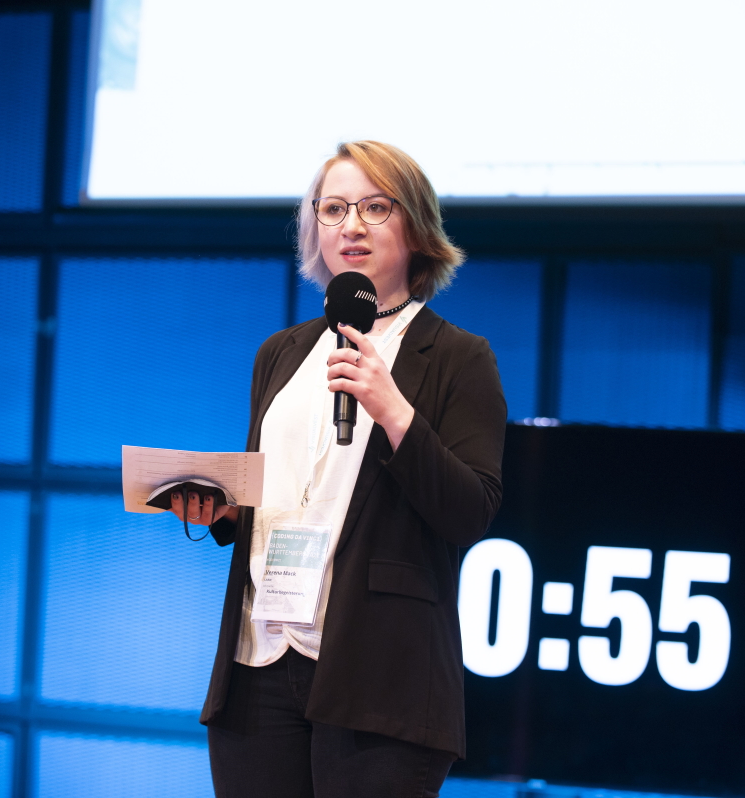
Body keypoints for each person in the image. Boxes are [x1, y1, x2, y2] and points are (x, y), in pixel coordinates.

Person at [170, 140, 507, 798]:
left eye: (374, 207)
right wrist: (226, 509)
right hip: (259, 661)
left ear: (414, 226)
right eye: (332, 209)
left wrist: (393, 411)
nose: (351, 225)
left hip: (381, 675)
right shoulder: (282, 352)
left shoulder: (458, 358)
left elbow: (471, 510)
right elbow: (286, 491)